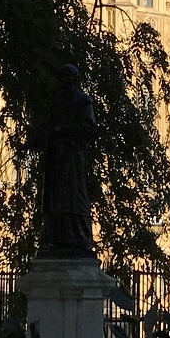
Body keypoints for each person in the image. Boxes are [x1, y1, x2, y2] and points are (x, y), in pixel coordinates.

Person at [39, 63, 98, 253]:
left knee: (74, 198)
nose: (63, 81)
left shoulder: (83, 101)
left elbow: (89, 129)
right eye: (61, 77)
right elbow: (48, 128)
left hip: (73, 157)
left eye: (66, 77)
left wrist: (64, 130)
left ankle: (79, 237)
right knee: (57, 199)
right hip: (57, 158)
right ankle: (58, 236)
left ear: (73, 79)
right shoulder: (58, 102)